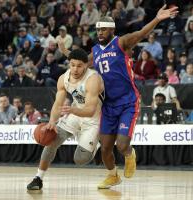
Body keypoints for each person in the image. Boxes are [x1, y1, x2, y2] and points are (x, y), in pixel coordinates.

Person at [59, 4, 178, 189]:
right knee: (105, 148)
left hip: (128, 101)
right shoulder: (96, 51)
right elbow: (79, 62)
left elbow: (141, 33)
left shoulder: (121, 42)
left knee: (122, 146)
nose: (100, 32)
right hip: (108, 105)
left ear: (112, 29)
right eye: (98, 29)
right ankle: (113, 176)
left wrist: (157, 19)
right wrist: (64, 52)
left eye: (103, 29)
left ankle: (130, 155)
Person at [27, 48, 104, 191]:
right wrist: (52, 122)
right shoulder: (63, 78)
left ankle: (95, 147)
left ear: (86, 65)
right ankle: (38, 178)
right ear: (69, 64)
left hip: (93, 118)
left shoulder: (93, 79)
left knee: (80, 159)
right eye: (72, 64)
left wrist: (73, 110)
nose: (75, 69)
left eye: (79, 65)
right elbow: (57, 104)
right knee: (51, 140)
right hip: (74, 113)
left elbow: (90, 110)